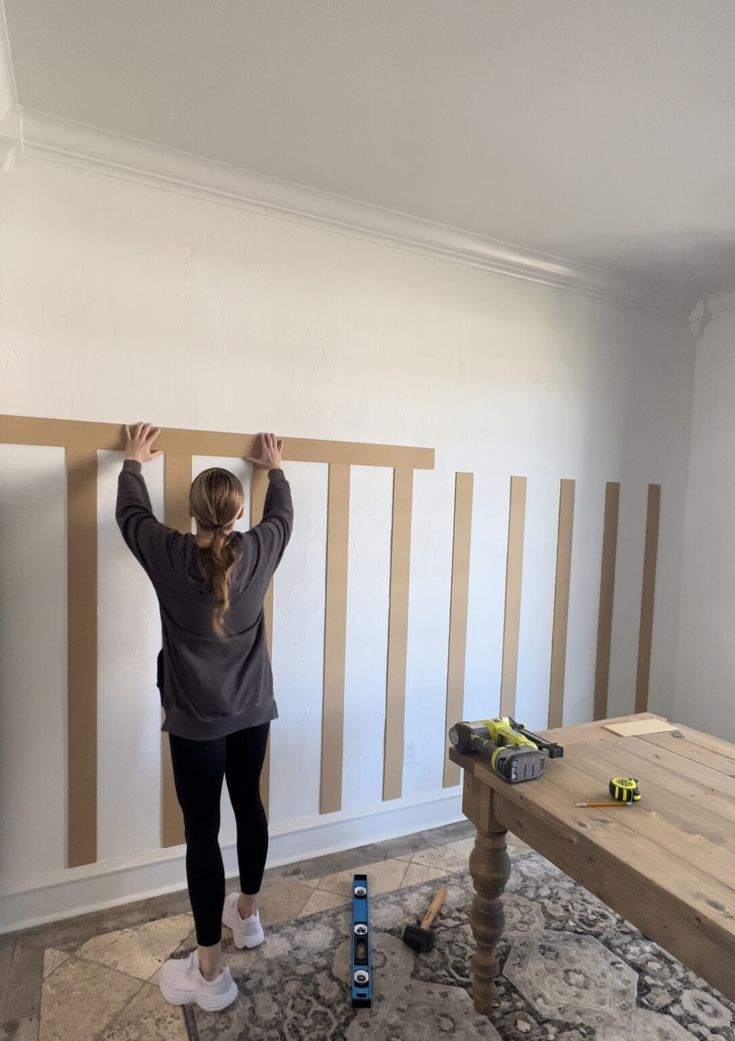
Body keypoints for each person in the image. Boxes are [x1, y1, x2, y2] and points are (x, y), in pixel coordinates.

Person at [116, 423, 293, 1012]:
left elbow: (130, 517)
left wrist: (133, 463)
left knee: (203, 835)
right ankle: (247, 917)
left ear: (191, 515)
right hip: (252, 713)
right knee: (249, 804)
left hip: (196, 723)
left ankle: (210, 974)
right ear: (238, 513)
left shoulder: (169, 553)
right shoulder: (259, 549)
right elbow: (284, 518)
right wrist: (274, 469)